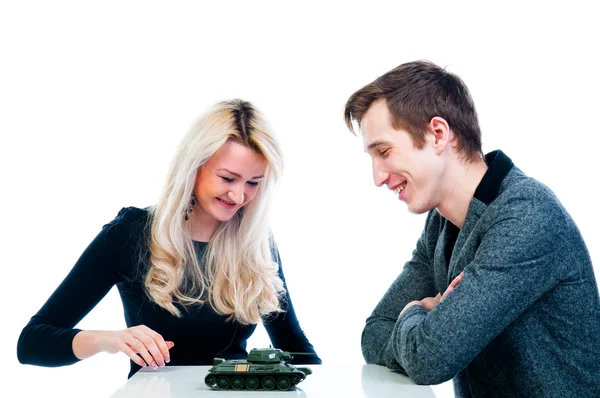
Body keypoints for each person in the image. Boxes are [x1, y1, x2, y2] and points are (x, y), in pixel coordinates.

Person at [343, 60, 600, 397]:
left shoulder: (526, 216)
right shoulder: (441, 223)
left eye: (385, 152)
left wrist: (414, 310)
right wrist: (426, 323)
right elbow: (375, 332)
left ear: (437, 134)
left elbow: (429, 360)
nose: (377, 177)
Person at [17, 99, 321, 378]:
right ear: (194, 167)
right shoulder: (131, 233)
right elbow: (32, 343)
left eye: (253, 183)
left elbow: (295, 348)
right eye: (228, 178)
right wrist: (108, 340)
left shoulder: (255, 243)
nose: (239, 195)